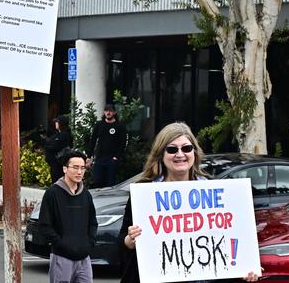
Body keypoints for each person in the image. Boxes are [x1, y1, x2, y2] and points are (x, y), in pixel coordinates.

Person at [118, 122, 261, 283]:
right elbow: (122, 242)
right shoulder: (144, 194)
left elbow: (229, 246)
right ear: (161, 154)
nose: (180, 154)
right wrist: (131, 240)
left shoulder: (216, 191)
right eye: (172, 149)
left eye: (186, 148)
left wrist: (245, 268)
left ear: (194, 152)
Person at [38, 149, 97, 283]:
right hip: (61, 257)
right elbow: (45, 225)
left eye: (83, 168)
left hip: (84, 259)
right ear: (65, 169)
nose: (79, 172)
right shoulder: (52, 193)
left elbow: (93, 222)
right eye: (75, 167)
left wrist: (89, 243)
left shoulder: (86, 195)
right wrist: (61, 243)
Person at [87, 104, 127, 188]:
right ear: (104, 112)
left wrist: (116, 157)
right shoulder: (99, 124)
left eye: (110, 111)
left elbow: (123, 143)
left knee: (110, 183)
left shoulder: (120, 126)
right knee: (97, 181)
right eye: (106, 111)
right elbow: (93, 140)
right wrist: (89, 156)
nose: (108, 112)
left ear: (114, 112)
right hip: (99, 158)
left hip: (112, 159)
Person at [44, 115, 72, 182]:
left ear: (61, 123)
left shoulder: (65, 134)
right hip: (53, 162)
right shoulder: (57, 134)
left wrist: (47, 146)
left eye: (57, 122)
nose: (55, 123)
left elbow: (55, 146)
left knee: (58, 180)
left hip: (58, 162)